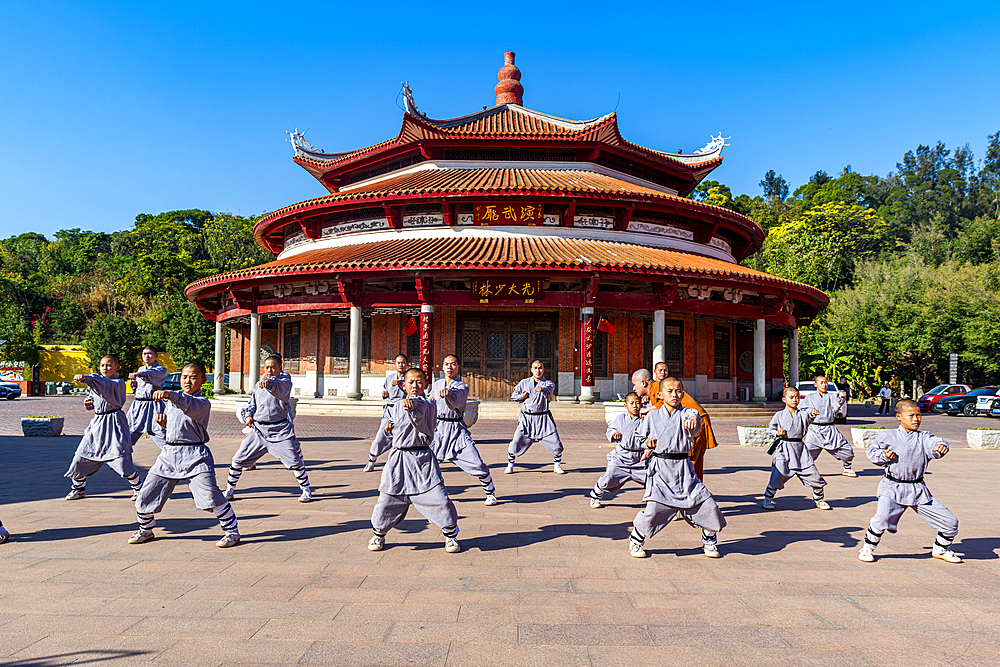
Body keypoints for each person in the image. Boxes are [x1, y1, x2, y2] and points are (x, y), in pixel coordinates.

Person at [129, 362, 239, 548]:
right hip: (169, 455)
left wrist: (169, 394)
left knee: (211, 496)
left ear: (203, 381)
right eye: (184, 377)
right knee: (146, 495)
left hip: (195, 455)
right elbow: (173, 430)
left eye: (193, 377)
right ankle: (146, 529)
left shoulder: (202, 402)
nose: (188, 381)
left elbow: (189, 405)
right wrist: (164, 426)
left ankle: (232, 532)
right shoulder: (172, 402)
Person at [629, 377, 726, 559]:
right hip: (661, 470)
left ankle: (709, 540)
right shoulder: (652, 416)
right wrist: (647, 443)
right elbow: (640, 438)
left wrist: (692, 421)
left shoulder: (688, 413)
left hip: (684, 469)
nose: (674, 394)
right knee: (655, 510)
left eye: (679, 391)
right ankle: (636, 539)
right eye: (670, 391)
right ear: (659, 395)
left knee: (708, 505)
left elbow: (694, 421)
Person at [368, 368, 461, 553]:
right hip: (399, 460)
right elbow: (388, 432)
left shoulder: (429, 404)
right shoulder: (394, 407)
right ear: (404, 385)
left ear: (426, 385)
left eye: (419, 382)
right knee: (386, 501)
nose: (415, 386)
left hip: (422, 460)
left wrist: (413, 408)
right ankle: (378, 534)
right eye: (411, 382)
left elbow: (421, 416)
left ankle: (450, 535)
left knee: (440, 500)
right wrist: (388, 431)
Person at [859, 399, 961, 564]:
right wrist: (884, 456)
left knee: (950, 522)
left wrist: (941, 446)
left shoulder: (924, 437)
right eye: (911, 415)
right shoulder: (888, 435)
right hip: (892, 486)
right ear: (899, 416)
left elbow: (936, 442)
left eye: (919, 414)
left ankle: (940, 549)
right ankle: (867, 548)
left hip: (917, 488)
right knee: (882, 518)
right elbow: (872, 452)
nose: (916, 419)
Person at [226, 355, 311, 503]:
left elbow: (278, 387)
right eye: (267, 367)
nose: (269, 370)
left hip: (280, 432)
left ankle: (306, 490)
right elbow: (251, 404)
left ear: (280, 367)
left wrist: (270, 381)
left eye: (273, 367)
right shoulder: (259, 385)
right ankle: (229, 491)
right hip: (258, 431)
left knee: (295, 462)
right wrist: (248, 416)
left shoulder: (285, 382)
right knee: (237, 460)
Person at [64, 355, 142, 501]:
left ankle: (138, 489)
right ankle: (78, 489)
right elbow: (95, 397)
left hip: (114, 423)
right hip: (98, 423)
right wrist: (89, 403)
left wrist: (87, 378)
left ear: (117, 367)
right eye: (102, 365)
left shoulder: (117, 383)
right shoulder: (98, 382)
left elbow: (104, 385)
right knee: (81, 455)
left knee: (122, 458)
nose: (105, 368)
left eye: (108, 365)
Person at [428, 355, 497, 506]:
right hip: (438, 430)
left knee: (477, 464)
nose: (449, 367)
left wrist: (449, 394)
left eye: (453, 364)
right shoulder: (437, 384)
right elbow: (429, 401)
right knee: (426, 463)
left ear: (458, 367)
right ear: (443, 366)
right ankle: (428, 496)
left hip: (456, 430)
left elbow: (456, 403)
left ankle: (490, 493)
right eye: (446, 364)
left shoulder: (461, 387)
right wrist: (430, 402)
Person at [762, 386, 830, 511]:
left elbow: (809, 416)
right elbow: (770, 429)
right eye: (791, 397)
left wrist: (812, 413)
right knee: (777, 475)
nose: (795, 400)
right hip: (784, 450)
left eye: (797, 397)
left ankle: (819, 500)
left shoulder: (803, 414)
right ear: (784, 399)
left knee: (814, 475)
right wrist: (778, 432)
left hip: (800, 450)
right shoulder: (779, 415)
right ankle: (767, 499)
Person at [649, 362, 717, 480]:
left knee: (691, 460)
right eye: (660, 370)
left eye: (665, 370)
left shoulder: (662, 384)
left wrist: (645, 410)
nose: (663, 373)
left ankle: (693, 488)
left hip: (696, 421)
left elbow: (661, 404)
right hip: (695, 420)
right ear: (654, 372)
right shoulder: (658, 385)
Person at [505, 360, 564, 474]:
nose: (538, 370)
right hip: (527, 419)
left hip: (543, 419)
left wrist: (542, 389)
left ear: (544, 370)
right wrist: (521, 396)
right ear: (531, 370)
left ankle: (557, 465)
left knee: (556, 443)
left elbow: (549, 391)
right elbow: (514, 395)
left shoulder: (548, 383)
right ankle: (510, 465)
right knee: (516, 441)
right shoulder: (524, 382)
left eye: (540, 368)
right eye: (535, 368)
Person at [590, 391, 646, 508]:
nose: (635, 406)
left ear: (641, 405)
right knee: (609, 477)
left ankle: (662, 505)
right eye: (632, 403)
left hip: (639, 460)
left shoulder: (645, 420)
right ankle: (596, 495)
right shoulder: (620, 419)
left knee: (652, 479)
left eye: (637, 403)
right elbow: (610, 431)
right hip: (621, 457)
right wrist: (614, 434)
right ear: (626, 406)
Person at [799, 375, 856, 477]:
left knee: (847, 450)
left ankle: (847, 468)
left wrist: (842, 395)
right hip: (814, 429)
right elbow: (802, 410)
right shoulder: (810, 397)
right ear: (815, 384)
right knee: (806, 452)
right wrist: (811, 412)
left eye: (825, 382)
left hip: (830, 429)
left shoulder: (831, 396)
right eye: (821, 382)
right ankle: (801, 469)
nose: (824, 385)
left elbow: (838, 399)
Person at [364, 354, 409, 472]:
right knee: (380, 437)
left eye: (403, 362)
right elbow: (385, 390)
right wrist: (385, 394)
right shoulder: (390, 378)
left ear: (407, 364)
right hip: (389, 411)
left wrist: (401, 384)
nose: (401, 365)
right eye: (399, 362)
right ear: (395, 364)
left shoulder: (409, 378)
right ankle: (371, 461)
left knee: (402, 438)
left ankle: (401, 465)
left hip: (403, 412)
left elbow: (412, 392)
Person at [127, 346, 168, 449]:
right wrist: (134, 383)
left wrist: (140, 374)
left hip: (154, 405)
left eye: (149, 353)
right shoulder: (140, 369)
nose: (147, 356)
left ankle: (173, 458)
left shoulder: (160, 370)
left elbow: (153, 375)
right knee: (127, 435)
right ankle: (119, 463)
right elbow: (137, 388)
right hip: (139, 406)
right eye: (144, 354)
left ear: (156, 356)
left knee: (161, 434)